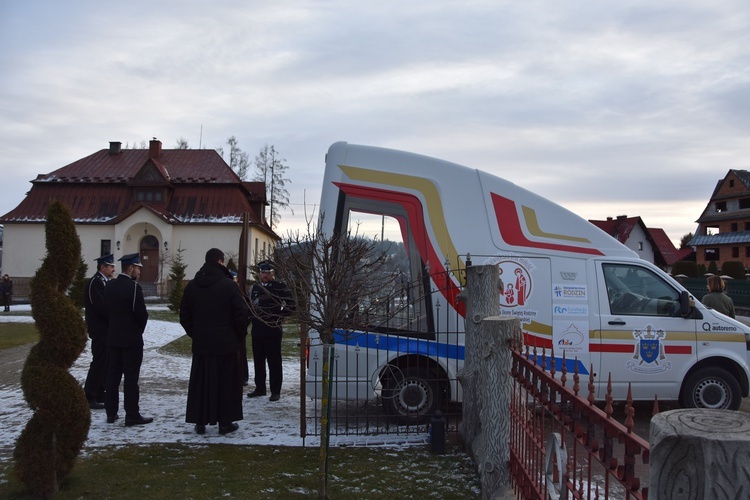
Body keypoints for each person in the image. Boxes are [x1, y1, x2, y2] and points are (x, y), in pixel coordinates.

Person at [180, 248, 250, 435]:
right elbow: (241, 314)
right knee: (226, 385)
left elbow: (184, 316)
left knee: (201, 384)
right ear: (220, 262)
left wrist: (196, 333)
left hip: (203, 344)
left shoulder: (192, 286)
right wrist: (238, 335)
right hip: (226, 344)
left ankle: (200, 421)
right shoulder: (228, 286)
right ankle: (224, 422)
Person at [104, 253, 152, 426]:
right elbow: (141, 314)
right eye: (138, 268)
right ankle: (132, 414)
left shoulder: (109, 286)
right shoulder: (133, 288)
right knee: (131, 379)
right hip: (131, 340)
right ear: (130, 268)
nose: (139, 272)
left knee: (112, 377)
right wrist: (137, 331)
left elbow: (106, 312)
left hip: (113, 338)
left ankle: (111, 412)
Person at [247, 260, 294, 402]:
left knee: (274, 362)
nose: (265, 275)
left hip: (272, 329)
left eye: (267, 273)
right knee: (258, 361)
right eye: (262, 273)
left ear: (272, 273)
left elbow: (291, 304)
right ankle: (260, 388)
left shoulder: (279, 287)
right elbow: (250, 307)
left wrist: (279, 317)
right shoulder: (255, 288)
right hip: (257, 330)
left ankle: (275, 391)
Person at [82, 253, 116, 409]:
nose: (113, 269)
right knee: (99, 362)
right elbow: (100, 307)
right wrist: (115, 318)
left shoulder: (105, 282)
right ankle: (89, 395)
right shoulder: (95, 283)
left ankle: (101, 391)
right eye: (110, 266)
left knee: (106, 362)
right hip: (100, 328)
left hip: (107, 329)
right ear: (102, 267)